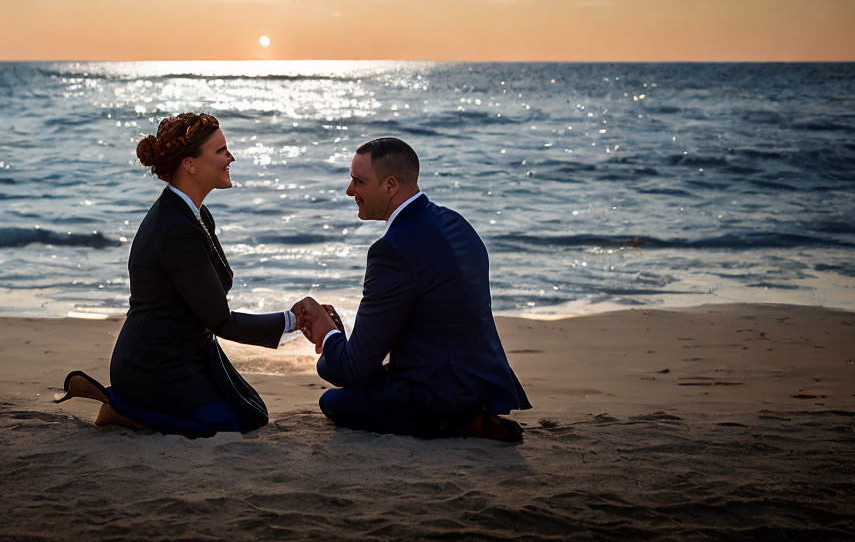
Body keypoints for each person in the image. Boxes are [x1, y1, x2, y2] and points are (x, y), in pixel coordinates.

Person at [56, 113, 302, 437]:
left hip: (189, 353)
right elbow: (221, 321)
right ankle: (121, 408)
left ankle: (131, 404)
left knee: (253, 413)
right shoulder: (175, 228)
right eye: (221, 151)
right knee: (225, 426)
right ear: (190, 164)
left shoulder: (195, 213)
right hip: (152, 364)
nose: (231, 158)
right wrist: (294, 320)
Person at [294, 137, 531, 441]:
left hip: (442, 393)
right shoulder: (456, 223)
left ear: (390, 185)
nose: (349, 190)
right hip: (483, 382)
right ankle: (471, 416)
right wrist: (337, 336)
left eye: (359, 181)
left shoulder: (391, 250)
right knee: (344, 368)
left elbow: (355, 371)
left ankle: (459, 424)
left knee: (334, 399)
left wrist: (327, 334)